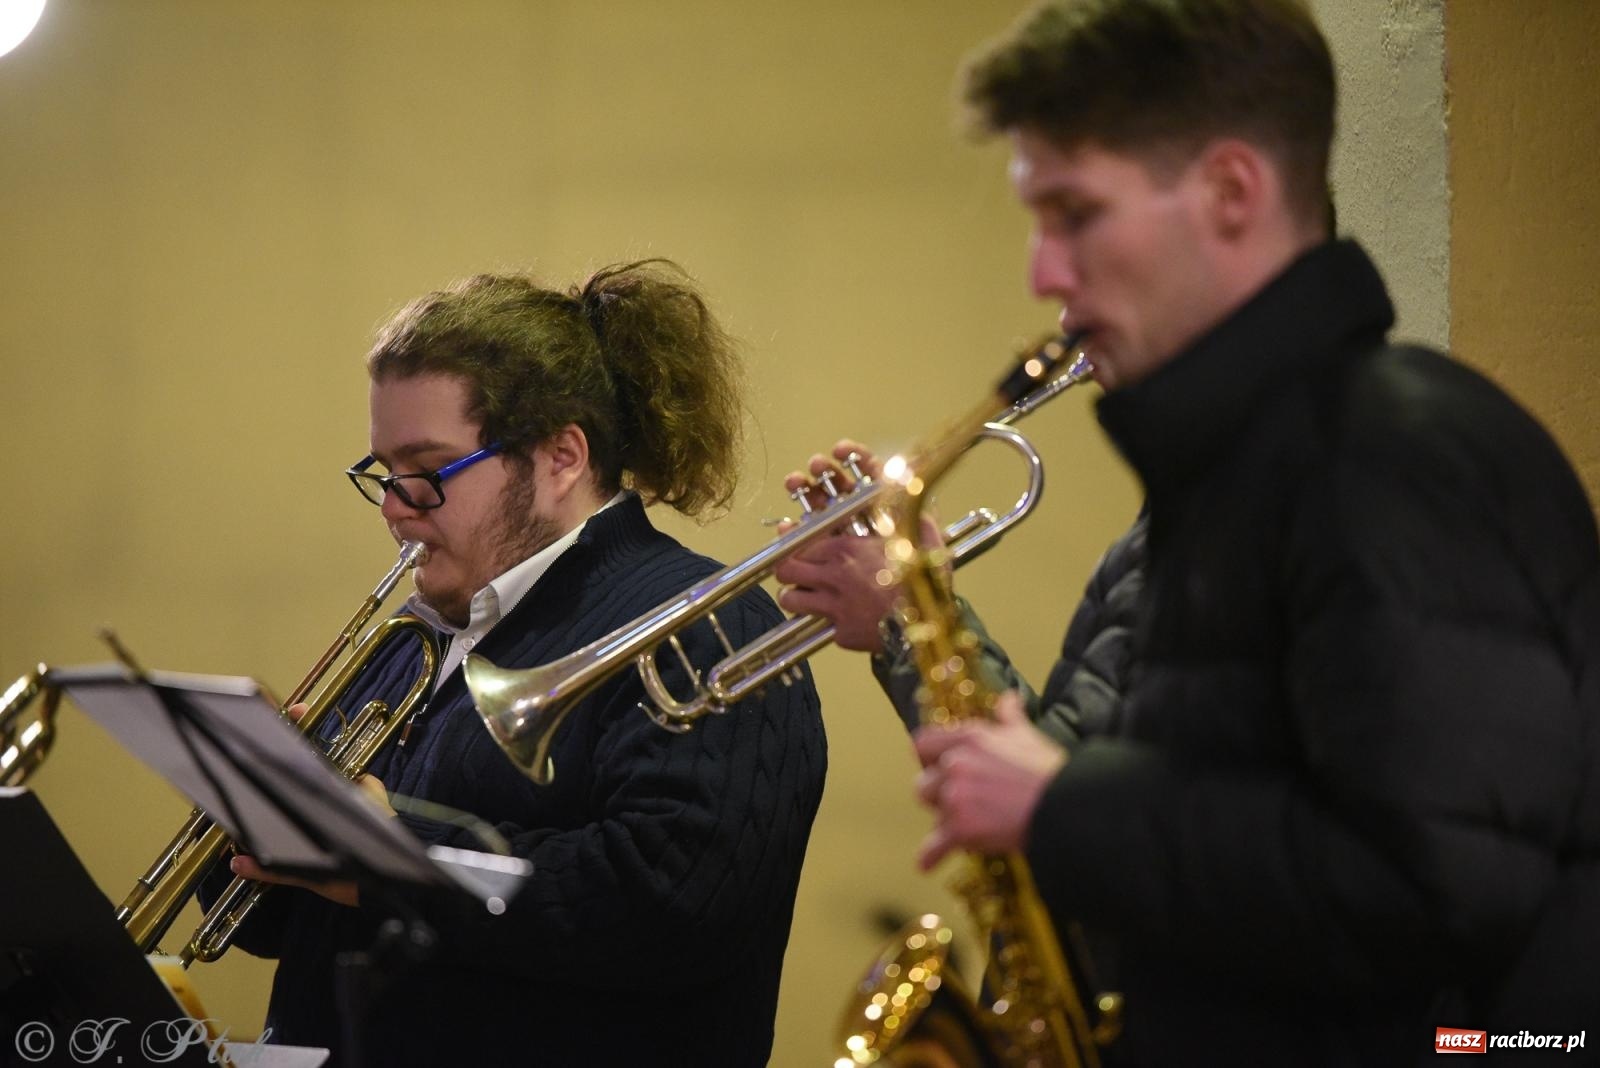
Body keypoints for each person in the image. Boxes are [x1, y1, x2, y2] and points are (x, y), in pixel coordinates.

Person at [800, 1, 1600, 1063]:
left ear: (1232, 191)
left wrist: (1065, 808)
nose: (1043, 272)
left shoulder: (1391, 457)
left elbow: (1436, 890)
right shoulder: (1240, 477)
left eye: (1075, 214)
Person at [209, 261, 828, 1067]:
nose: (397, 507)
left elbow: (673, 905)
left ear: (560, 458)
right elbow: (289, 928)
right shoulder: (412, 635)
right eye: (383, 474)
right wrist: (263, 824)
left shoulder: (707, 625)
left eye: (427, 472)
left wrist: (394, 853)